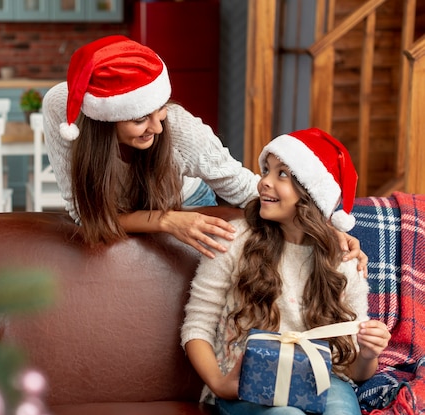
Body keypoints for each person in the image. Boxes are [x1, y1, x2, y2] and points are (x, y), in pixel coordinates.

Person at [42, 34, 365, 271]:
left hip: (189, 204)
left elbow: (243, 187)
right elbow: (84, 214)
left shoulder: (183, 132)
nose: (156, 128)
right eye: (140, 119)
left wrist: (325, 230)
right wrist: (167, 222)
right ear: (103, 119)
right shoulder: (63, 109)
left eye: (161, 110)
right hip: (147, 216)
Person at [181, 128, 391, 415]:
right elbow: (197, 326)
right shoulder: (234, 241)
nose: (263, 182)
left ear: (310, 193)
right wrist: (219, 384)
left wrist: (368, 353)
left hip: (321, 379)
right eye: (267, 170)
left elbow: (354, 370)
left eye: (282, 174)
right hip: (245, 384)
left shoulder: (343, 260)